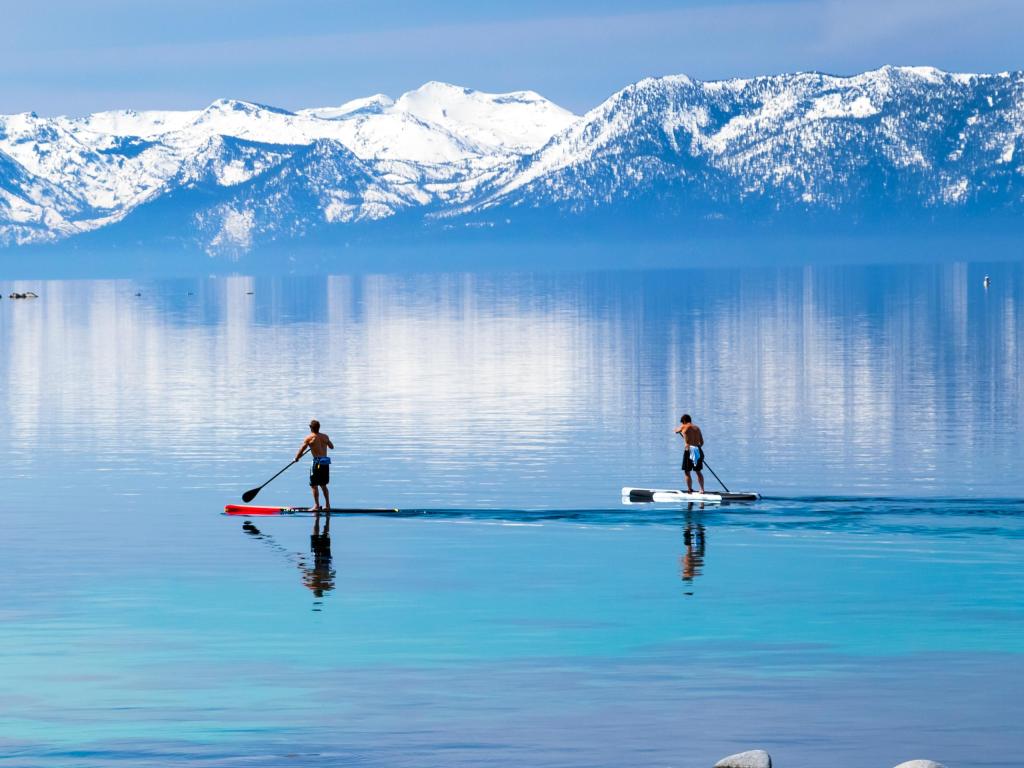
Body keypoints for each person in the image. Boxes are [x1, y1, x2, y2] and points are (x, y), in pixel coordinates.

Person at [295, 419, 334, 510]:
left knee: (314, 485)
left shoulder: (309, 438)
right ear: (319, 427)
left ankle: (316, 506)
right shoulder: (325, 436)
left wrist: (296, 458)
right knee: (323, 485)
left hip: (317, 463)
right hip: (325, 462)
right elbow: (332, 447)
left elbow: (301, 450)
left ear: (311, 428)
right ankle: (327, 505)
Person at [673, 414, 705, 494]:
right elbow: (702, 442)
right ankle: (702, 489)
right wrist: (696, 449)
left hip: (689, 450)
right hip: (698, 449)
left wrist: (679, 430)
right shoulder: (697, 428)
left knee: (687, 472)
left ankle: (690, 489)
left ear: (684, 421)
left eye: (682, 422)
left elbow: (676, 430)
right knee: (698, 471)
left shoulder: (684, 426)